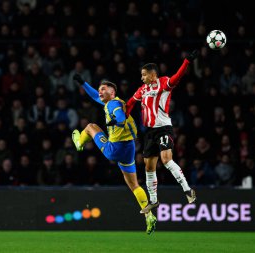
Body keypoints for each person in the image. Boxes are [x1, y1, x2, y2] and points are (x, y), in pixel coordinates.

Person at [72, 74, 157, 235]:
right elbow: (94, 96)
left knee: (90, 126)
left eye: (103, 89)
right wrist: (82, 82)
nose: (100, 92)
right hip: (129, 148)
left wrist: (116, 121)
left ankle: (79, 143)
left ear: (112, 92)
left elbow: (119, 116)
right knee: (134, 185)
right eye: (99, 89)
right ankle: (149, 215)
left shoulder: (113, 104)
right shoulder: (111, 102)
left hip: (116, 148)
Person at [125, 51, 198, 213]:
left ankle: (187, 190)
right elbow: (129, 104)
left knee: (166, 160)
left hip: (164, 128)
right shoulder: (142, 90)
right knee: (149, 167)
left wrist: (186, 61)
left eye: (144, 75)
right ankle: (153, 200)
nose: (142, 78)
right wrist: (121, 117)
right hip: (150, 132)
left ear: (153, 75)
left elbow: (177, 77)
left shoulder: (163, 83)